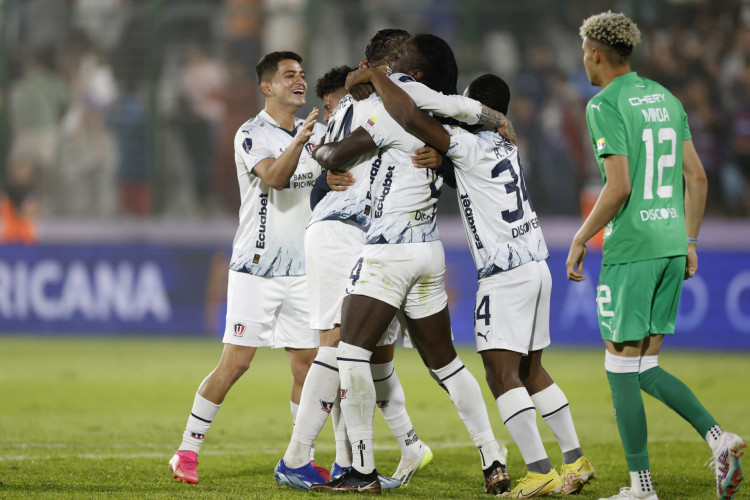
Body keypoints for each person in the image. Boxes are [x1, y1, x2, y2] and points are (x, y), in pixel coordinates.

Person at [349, 66, 598, 497]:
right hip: (537, 264)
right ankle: (575, 460)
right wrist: (442, 159)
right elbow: (465, 167)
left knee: (501, 374)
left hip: (504, 275)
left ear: (476, 109)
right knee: (530, 368)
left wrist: (379, 76)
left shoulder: (466, 143)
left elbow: (412, 117)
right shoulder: (503, 142)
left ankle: (539, 471)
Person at [309, 34, 513, 496]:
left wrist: (320, 151)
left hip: (388, 252)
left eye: (402, 58)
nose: (392, 61)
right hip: (428, 252)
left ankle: (360, 472)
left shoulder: (395, 108)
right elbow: (476, 114)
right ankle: (493, 459)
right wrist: (500, 119)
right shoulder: (444, 108)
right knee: (446, 365)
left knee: (351, 353)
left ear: (414, 74)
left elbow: (338, 155)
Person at [565, 12, 745, 500]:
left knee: (620, 367)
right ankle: (719, 439)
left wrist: (582, 236)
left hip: (633, 247)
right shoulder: (666, 98)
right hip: (669, 244)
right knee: (644, 367)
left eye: (584, 52)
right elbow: (698, 178)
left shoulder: (603, 104)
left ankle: (641, 489)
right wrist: (688, 241)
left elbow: (618, 186)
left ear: (596, 54)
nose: (583, 60)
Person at [168, 50, 326, 485]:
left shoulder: (319, 133)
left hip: (302, 270)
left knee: (307, 367)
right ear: (267, 86)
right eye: (288, 75)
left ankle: (300, 458)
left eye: (301, 74)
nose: (299, 80)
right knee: (235, 364)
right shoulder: (251, 133)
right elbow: (274, 177)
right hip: (256, 268)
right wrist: (302, 140)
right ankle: (186, 450)